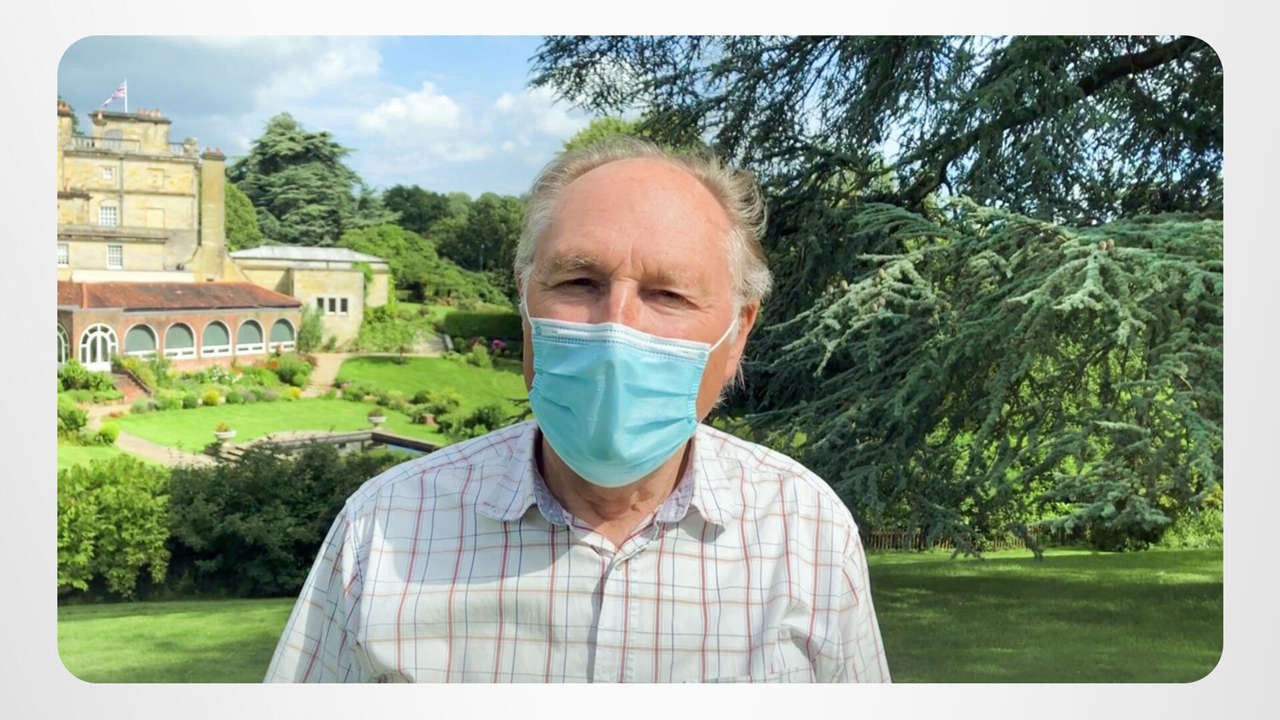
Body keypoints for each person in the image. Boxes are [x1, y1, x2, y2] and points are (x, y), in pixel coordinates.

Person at [264, 137, 890, 683]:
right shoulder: (382, 526)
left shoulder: (809, 531)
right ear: (525, 300)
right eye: (578, 283)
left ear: (738, 333)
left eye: (667, 294)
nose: (616, 329)